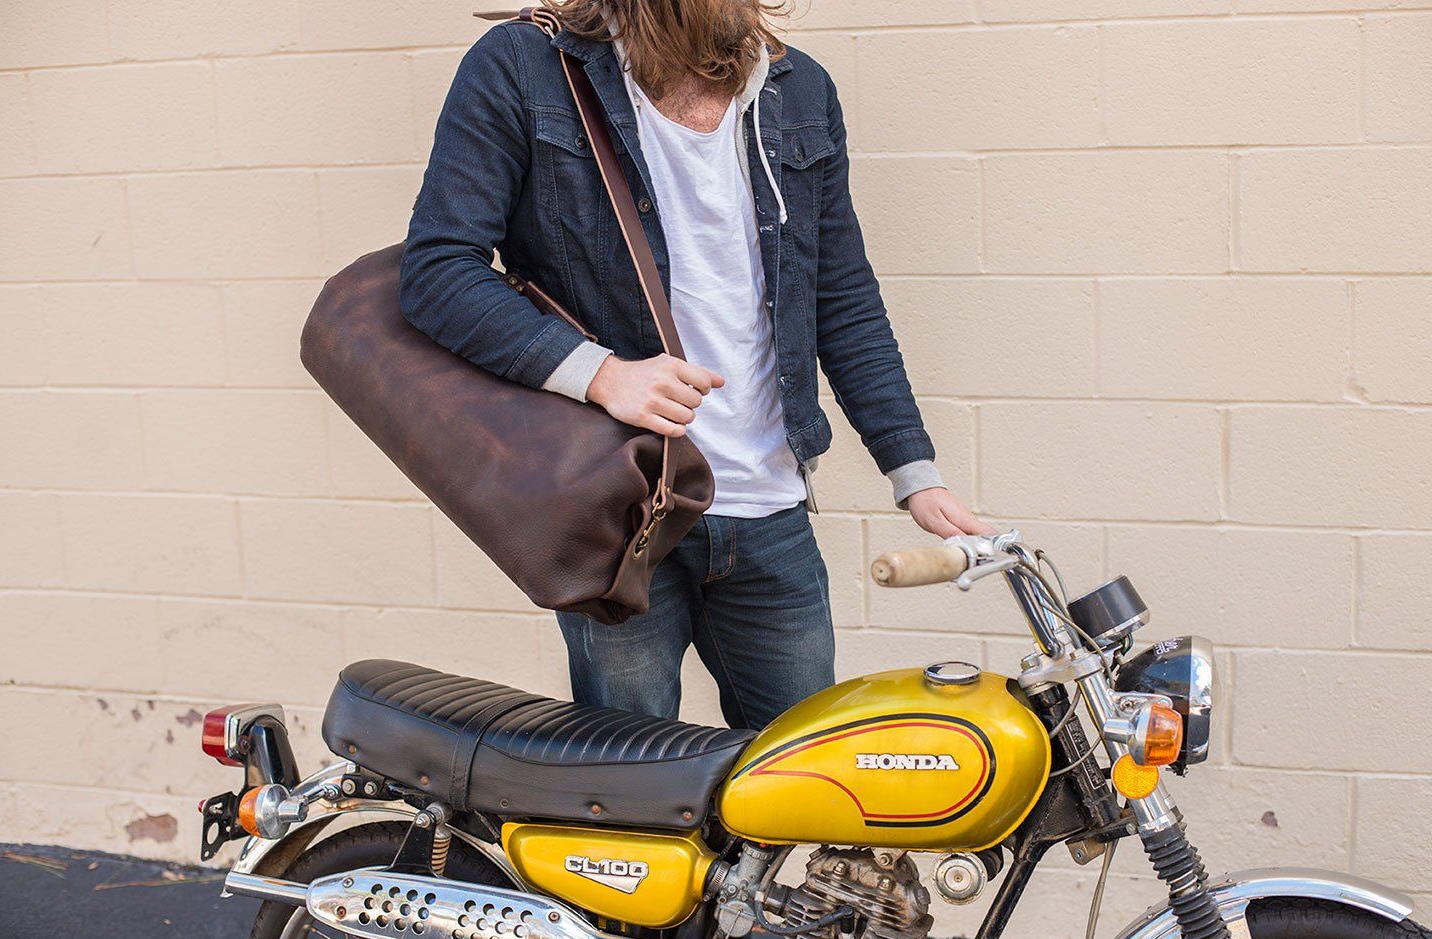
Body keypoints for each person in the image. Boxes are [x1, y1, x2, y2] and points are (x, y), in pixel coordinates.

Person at [400, 0, 990, 731]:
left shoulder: (800, 90)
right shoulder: (525, 68)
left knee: (802, 776)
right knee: (633, 785)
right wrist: (602, 374)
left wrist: (913, 471)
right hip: (620, 512)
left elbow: (841, 295)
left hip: (771, 513)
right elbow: (438, 271)